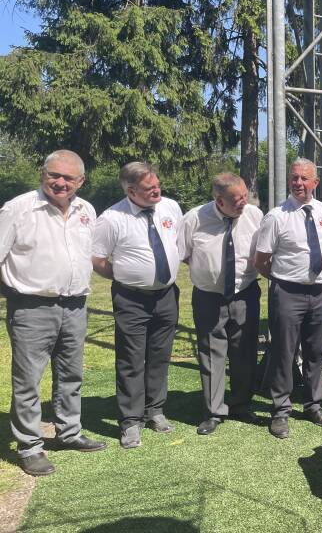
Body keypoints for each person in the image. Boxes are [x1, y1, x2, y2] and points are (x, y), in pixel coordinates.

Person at [0, 150, 107, 476]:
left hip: (75, 305)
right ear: (42, 174)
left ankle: (69, 432)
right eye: (54, 175)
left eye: (68, 177)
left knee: (71, 375)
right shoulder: (18, 209)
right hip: (31, 307)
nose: (60, 182)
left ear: (81, 181)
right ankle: (30, 447)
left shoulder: (86, 210)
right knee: (28, 381)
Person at [92, 162, 183, 449]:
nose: (157, 190)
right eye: (149, 188)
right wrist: (126, 276)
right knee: (131, 359)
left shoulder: (170, 207)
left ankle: (155, 410)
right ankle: (131, 421)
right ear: (131, 191)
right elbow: (98, 260)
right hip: (131, 299)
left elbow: (177, 243)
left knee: (160, 355)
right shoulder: (112, 218)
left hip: (167, 295)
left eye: (157, 184)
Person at [254, 159, 322, 439]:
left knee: (316, 351)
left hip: (319, 292)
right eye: (294, 178)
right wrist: (283, 279)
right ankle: (281, 411)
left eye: (304, 178)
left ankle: (313, 405)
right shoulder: (276, 216)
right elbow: (261, 260)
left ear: (315, 182)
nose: (298, 183)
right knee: (284, 352)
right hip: (287, 293)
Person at [179, 173, 263, 435]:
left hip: (245, 293)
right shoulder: (194, 218)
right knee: (211, 353)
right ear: (219, 200)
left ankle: (240, 404)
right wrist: (209, 271)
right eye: (237, 199)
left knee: (244, 352)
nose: (243, 202)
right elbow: (184, 254)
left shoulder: (254, 215)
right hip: (209, 297)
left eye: (245, 195)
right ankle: (214, 411)